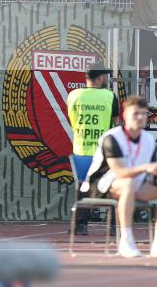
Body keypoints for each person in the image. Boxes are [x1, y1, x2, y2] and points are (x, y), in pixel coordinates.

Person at [79, 95, 157, 259]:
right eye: (135, 114)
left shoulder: (149, 140)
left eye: (143, 114)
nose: (140, 117)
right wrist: (147, 167)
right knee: (128, 184)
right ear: (125, 116)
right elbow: (120, 172)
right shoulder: (112, 138)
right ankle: (126, 241)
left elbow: (149, 172)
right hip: (101, 185)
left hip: (134, 183)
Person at [67, 64, 120, 236]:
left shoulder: (74, 95)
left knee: (82, 187)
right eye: (103, 76)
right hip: (104, 151)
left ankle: (80, 225)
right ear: (100, 78)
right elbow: (116, 123)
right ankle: (112, 225)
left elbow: (73, 120)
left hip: (81, 148)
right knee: (113, 185)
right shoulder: (109, 96)